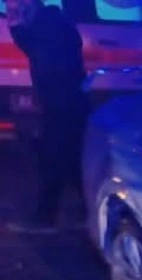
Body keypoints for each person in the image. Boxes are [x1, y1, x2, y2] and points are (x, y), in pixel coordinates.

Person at [5, 0, 88, 235]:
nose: (13, 12)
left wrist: (17, 26)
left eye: (17, 8)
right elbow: (33, 48)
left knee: (53, 158)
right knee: (70, 160)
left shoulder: (50, 25)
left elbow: (42, 56)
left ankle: (45, 218)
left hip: (63, 102)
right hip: (65, 101)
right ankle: (87, 211)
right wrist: (17, 26)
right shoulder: (51, 22)